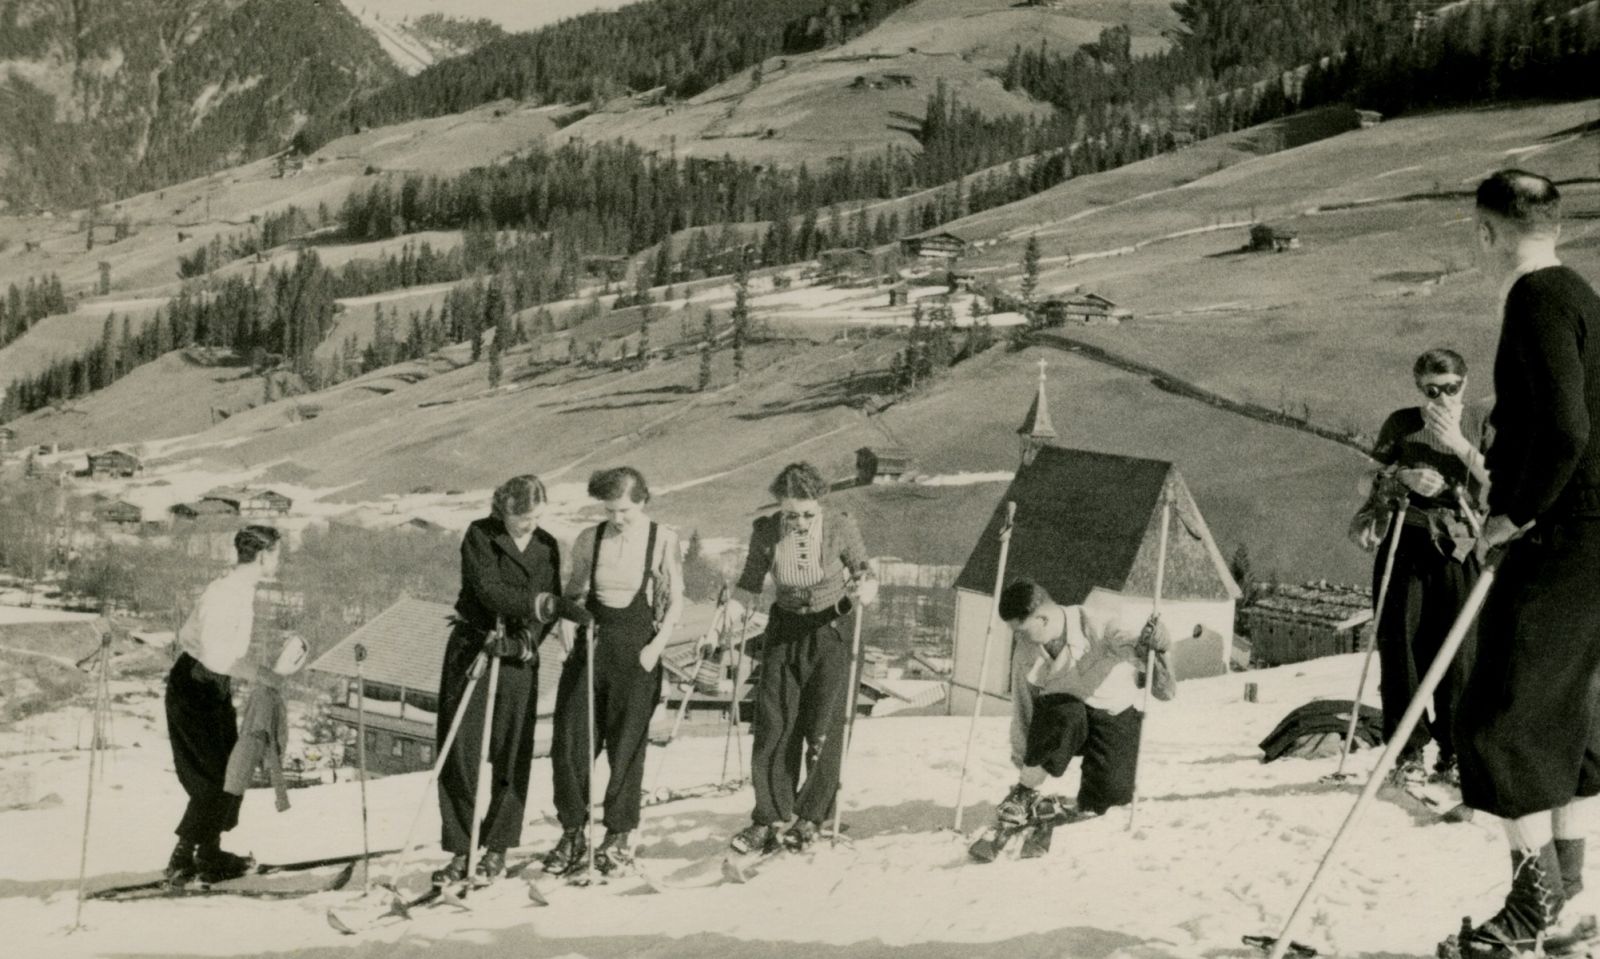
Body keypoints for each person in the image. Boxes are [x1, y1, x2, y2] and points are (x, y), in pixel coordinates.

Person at [1447, 169, 1600, 957]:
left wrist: (1514, 512)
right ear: (1557, 224)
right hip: (1590, 540)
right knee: (1563, 720)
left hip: (1560, 541)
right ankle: (1569, 905)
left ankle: (1538, 902)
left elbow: (1569, 431)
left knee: (1498, 724)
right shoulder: (1582, 294)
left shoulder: (1534, 298)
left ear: (1488, 232)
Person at [718, 462, 878, 855]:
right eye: (792, 514)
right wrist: (734, 608)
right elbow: (750, 582)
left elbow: (863, 570)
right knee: (774, 724)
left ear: (819, 505)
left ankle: (812, 816)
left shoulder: (839, 525)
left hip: (832, 629)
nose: (800, 522)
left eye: (808, 513)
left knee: (824, 728)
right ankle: (769, 815)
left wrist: (866, 587)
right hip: (784, 630)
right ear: (780, 507)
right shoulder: (766, 532)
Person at [434, 475, 586, 887]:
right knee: (460, 751)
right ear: (503, 509)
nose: (529, 526)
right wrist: (535, 604)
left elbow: (550, 603)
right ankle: (461, 848)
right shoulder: (480, 535)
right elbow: (488, 590)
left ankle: (497, 847)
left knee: (511, 749)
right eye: (522, 519)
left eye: (536, 518)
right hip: (475, 648)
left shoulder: (547, 545)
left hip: (519, 654)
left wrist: (527, 642)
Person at [1358, 348, 1491, 786]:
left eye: (1451, 388)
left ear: (1465, 385)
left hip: (1459, 545)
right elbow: (1365, 479)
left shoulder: (1479, 424)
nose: (1442, 398)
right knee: (1401, 651)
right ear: (1420, 388)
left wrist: (1458, 446)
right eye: (1432, 390)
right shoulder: (1401, 423)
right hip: (1405, 540)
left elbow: (1499, 484)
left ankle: (1454, 754)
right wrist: (1402, 478)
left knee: (1459, 656)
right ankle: (1407, 752)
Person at [544, 467, 683, 876]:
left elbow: (675, 600)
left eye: (623, 510)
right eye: (609, 510)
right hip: (593, 646)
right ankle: (572, 831)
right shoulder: (591, 538)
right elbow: (575, 592)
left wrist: (654, 650)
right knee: (570, 742)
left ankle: (619, 834)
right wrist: (568, 622)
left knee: (626, 747)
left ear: (642, 501)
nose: (616, 518)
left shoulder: (662, 540)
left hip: (637, 650)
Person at [991, 580, 1175, 828]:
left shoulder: (1099, 624)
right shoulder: (1026, 651)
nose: (1018, 637)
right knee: (1066, 712)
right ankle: (1025, 795)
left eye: (1021, 630)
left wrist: (1151, 644)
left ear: (1042, 619)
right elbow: (1023, 706)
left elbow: (1131, 644)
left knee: (1109, 801)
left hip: (1113, 715)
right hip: (1065, 721)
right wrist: (1025, 769)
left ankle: (1093, 796)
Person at [163, 525, 286, 886]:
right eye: (277, 554)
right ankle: (182, 860)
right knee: (214, 777)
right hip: (196, 685)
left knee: (229, 770)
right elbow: (217, 657)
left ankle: (208, 852)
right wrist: (263, 674)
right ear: (263, 555)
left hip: (211, 685)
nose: (278, 561)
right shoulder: (225, 593)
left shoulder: (238, 589)